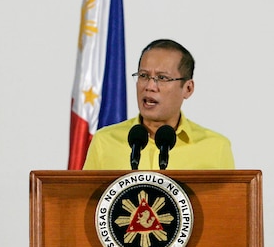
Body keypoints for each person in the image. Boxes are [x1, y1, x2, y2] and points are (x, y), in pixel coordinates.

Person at [82, 39, 234, 170]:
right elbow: (87, 203)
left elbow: (228, 203)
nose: (149, 86)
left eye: (162, 78)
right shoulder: (105, 141)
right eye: (143, 76)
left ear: (188, 89)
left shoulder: (216, 147)